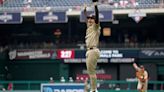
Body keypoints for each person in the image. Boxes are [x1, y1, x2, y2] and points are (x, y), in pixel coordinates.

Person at [84, 1, 101, 92]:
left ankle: (94, 89)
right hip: (89, 51)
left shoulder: (95, 27)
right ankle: (93, 88)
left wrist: (95, 6)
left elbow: (97, 17)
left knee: (92, 72)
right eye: (89, 18)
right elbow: (86, 18)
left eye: (91, 18)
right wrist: (85, 10)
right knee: (90, 72)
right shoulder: (89, 27)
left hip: (93, 50)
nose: (90, 20)